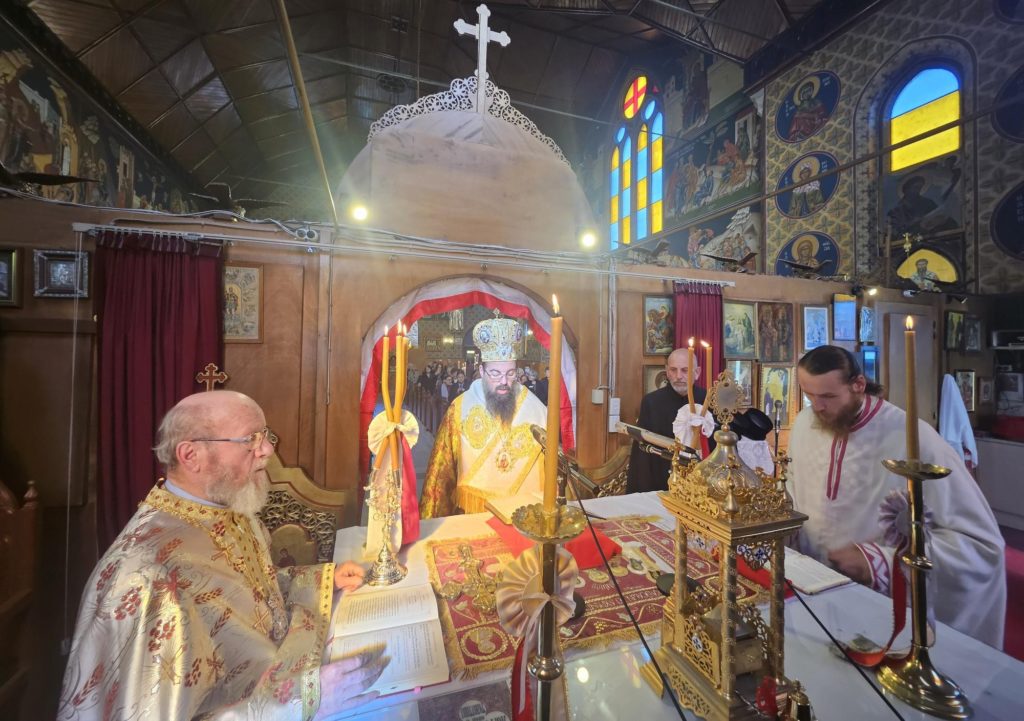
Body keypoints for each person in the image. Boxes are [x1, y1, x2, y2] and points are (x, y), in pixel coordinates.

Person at [59, 391, 389, 720]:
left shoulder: (229, 508)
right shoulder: (145, 579)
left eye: (265, 435)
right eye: (251, 439)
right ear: (191, 455)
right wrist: (293, 706)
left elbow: (250, 595)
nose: (268, 450)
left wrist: (321, 579)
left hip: (285, 665)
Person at [789, 346, 1006, 647]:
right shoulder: (804, 425)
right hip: (811, 592)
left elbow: (982, 546)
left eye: (827, 397)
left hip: (882, 606)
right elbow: (794, 492)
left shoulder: (914, 438)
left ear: (858, 385)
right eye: (809, 395)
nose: (817, 407)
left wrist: (879, 561)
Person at [420, 314, 549, 517]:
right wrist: (432, 522)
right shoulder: (460, 408)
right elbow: (441, 473)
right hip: (474, 515)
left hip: (524, 518)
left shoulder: (537, 410)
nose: (504, 382)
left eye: (510, 373)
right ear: (481, 370)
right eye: (495, 373)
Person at [626, 348, 706, 493]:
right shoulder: (651, 402)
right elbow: (642, 452)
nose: (678, 376)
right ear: (667, 372)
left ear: (697, 372)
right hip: (661, 483)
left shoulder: (708, 401)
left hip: (701, 483)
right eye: (673, 370)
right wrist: (643, 491)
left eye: (685, 370)